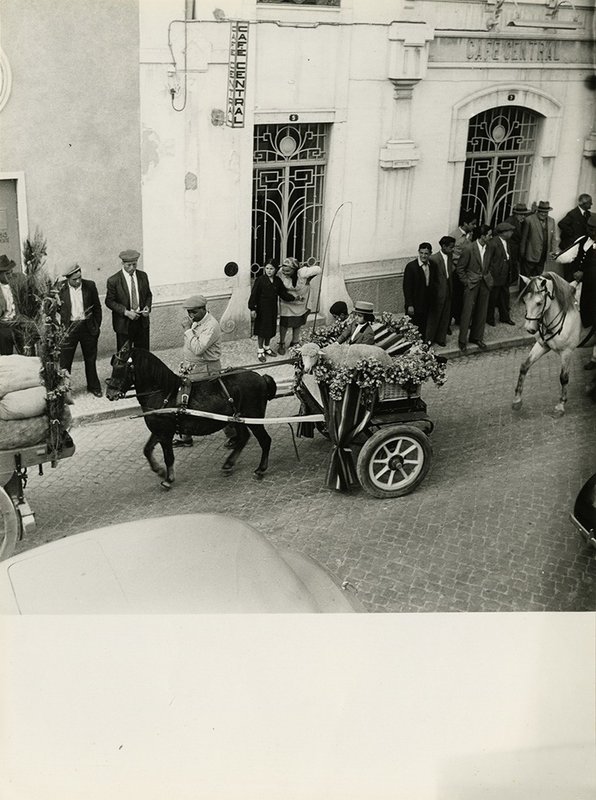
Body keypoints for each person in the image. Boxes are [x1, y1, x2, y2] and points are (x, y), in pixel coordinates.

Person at [173, 294, 223, 447]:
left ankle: (233, 432)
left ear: (203, 309)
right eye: (188, 312)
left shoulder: (211, 325)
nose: (190, 315)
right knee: (186, 401)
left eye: (193, 312)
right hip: (193, 368)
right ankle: (185, 437)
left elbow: (198, 348)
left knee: (214, 402)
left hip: (206, 368)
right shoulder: (197, 321)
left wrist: (187, 330)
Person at [556, 213, 596, 370]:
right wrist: (558, 256)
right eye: (590, 228)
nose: (591, 232)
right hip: (579, 284)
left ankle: (594, 357)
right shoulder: (582, 241)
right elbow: (569, 255)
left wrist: (585, 274)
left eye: (594, 229)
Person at [58, 264, 103, 397]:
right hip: (69, 328)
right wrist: (60, 329)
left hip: (87, 327)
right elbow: (53, 309)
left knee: (90, 359)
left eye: (79, 278)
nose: (78, 281)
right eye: (74, 279)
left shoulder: (90, 286)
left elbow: (97, 308)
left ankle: (94, 386)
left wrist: (96, 326)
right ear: (67, 279)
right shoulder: (60, 288)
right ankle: (65, 390)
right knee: (65, 361)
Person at [248, 261, 297, 362]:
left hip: (272, 309)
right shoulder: (260, 280)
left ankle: (267, 347)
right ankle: (260, 350)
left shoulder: (277, 281)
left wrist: (294, 298)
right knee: (262, 330)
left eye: (271, 269)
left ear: (276, 270)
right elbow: (254, 295)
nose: (269, 271)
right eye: (267, 268)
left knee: (270, 329)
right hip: (262, 309)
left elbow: (283, 293)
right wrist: (252, 308)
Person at [105, 249, 152, 351]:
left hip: (142, 322)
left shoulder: (143, 276)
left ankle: (141, 368)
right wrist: (125, 312)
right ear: (123, 263)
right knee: (125, 356)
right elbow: (109, 301)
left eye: (134, 265)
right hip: (124, 323)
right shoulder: (114, 280)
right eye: (129, 265)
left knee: (143, 354)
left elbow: (148, 294)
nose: (132, 268)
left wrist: (147, 307)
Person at [457, 224, 493, 352]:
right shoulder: (468, 248)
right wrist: (466, 282)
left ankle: (476, 337)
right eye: (489, 235)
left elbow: (490, 265)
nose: (491, 237)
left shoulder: (489, 248)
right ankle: (462, 340)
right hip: (471, 283)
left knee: (481, 311)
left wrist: (489, 277)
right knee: (467, 312)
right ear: (482, 236)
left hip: (484, 283)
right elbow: (460, 268)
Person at [276, 257, 322, 354]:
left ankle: (295, 341)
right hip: (287, 300)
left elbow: (318, 269)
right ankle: (282, 343)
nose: (285, 273)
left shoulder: (302, 272)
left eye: (288, 271)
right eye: (284, 271)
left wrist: (309, 278)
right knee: (284, 322)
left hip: (302, 299)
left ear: (294, 270)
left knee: (298, 320)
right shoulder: (280, 272)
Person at [426, 236, 455, 347]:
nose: (452, 249)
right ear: (443, 246)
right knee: (434, 317)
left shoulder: (450, 256)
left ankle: (441, 338)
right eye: (451, 247)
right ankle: (429, 339)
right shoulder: (434, 259)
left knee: (445, 315)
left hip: (448, 290)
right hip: (437, 292)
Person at [449, 211, 477, 327]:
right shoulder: (454, 236)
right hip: (455, 271)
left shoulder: (470, 235)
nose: (475, 226)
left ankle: (460, 319)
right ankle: (447, 324)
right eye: (473, 224)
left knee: (462, 297)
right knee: (453, 297)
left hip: (465, 271)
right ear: (465, 223)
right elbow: (451, 254)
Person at [486, 221, 516, 327]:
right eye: (510, 231)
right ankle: (489, 318)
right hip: (496, 276)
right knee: (492, 299)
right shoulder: (493, 243)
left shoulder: (507, 242)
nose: (512, 233)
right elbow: (488, 261)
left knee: (504, 298)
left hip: (505, 275)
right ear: (503, 232)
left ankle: (505, 317)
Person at [520, 201, 556, 278]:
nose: (543, 214)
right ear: (538, 211)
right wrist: (522, 253)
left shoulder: (551, 221)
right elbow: (524, 238)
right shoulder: (529, 220)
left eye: (546, 212)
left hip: (543, 256)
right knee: (526, 278)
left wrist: (553, 251)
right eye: (541, 212)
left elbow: (553, 238)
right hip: (530, 255)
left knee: (538, 278)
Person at [403, 242, 432, 338]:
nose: (423, 256)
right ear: (418, 252)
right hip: (414, 304)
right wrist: (410, 304)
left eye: (426, 253)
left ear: (430, 254)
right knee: (412, 327)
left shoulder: (431, 266)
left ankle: (422, 345)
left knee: (423, 326)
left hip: (425, 303)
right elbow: (407, 287)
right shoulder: (411, 267)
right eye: (421, 253)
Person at [504, 202, 531, 287]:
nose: (523, 216)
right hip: (510, 251)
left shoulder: (520, 222)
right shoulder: (509, 222)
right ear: (516, 214)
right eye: (521, 214)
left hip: (516, 252)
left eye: (524, 214)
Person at [0, 255, 23, 355]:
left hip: (19, 323)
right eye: (7, 274)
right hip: (3, 327)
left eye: (11, 272)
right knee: (6, 357)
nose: (10, 276)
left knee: (25, 354)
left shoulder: (18, 282)